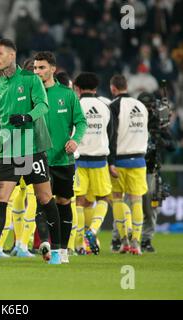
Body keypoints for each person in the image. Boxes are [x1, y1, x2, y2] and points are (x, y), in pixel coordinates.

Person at [0, 39, 62, 264]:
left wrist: (27, 117)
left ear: (11, 56)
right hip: (9, 148)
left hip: (33, 147)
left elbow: (43, 105)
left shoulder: (30, 79)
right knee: (0, 196)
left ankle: (58, 249)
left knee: (44, 197)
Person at [33, 51, 87, 263]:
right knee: (42, 201)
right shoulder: (30, 94)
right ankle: (47, 243)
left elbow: (81, 122)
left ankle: (63, 249)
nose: (37, 72)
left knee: (64, 203)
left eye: (42, 68)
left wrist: (75, 140)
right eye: (35, 68)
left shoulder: (67, 95)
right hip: (39, 158)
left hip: (63, 160)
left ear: (53, 69)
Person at [73, 72, 113, 255]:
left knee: (80, 202)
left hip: (79, 160)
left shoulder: (76, 105)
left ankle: (80, 244)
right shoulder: (104, 106)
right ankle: (93, 230)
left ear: (78, 89)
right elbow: (111, 133)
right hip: (99, 159)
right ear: (95, 88)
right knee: (103, 198)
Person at [109, 74, 149, 255]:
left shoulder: (114, 106)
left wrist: (111, 161)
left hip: (120, 160)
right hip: (139, 160)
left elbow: (112, 135)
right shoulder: (141, 106)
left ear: (113, 88)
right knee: (137, 201)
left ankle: (124, 241)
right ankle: (137, 243)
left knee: (117, 198)